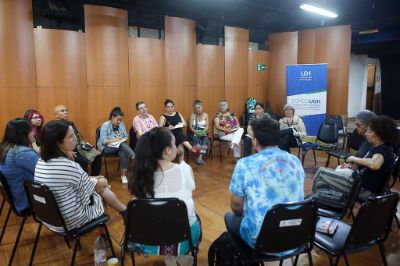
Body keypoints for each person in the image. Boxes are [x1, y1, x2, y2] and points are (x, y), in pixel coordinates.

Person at [225, 117, 304, 249]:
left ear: (255, 140)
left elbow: (237, 206)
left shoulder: (244, 164)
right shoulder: (295, 161)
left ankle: (245, 257)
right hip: (294, 235)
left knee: (230, 217)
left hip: (261, 240)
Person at [34, 120, 127, 232]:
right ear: (58, 142)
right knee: (100, 191)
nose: (76, 139)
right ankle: (105, 234)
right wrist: (100, 179)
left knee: (97, 185)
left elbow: (79, 181)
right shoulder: (68, 165)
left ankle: (124, 212)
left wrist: (92, 179)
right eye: (71, 136)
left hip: (51, 219)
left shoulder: (41, 161)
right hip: (70, 221)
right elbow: (98, 185)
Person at [128, 127, 201, 264]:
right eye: (174, 144)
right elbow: (189, 192)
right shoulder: (185, 169)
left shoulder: (140, 176)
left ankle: (172, 256)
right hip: (183, 239)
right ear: (167, 150)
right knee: (195, 217)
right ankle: (176, 254)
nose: (176, 147)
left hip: (149, 239)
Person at [312, 115, 398, 200]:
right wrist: (353, 167)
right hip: (359, 185)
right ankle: (320, 202)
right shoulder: (383, 148)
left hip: (362, 190)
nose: (366, 133)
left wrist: (353, 158)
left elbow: (375, 164)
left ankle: (312, 204)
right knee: (321, 180)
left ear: (380, 134)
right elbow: (370, 168)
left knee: (321, 173)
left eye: (370, 132)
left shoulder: (382, 150)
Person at [0, 119, 40, 212]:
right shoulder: (21, 153)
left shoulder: (4, 148)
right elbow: (45, 171)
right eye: (30, 131)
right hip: (29, 201)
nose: (33, 134)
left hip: (17, 198)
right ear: (23, 133)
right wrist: (33, 143)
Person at [54, 105, 102, 176]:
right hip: (66, 151)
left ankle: (93, 179)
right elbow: (55, 143)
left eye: (66, 110)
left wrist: (85, 145)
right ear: (56, 115)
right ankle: (83, 182)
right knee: (84, 162)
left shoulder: (71, 124)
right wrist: (66, 151)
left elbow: (77, 138)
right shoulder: (54, 126)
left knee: (98, 155)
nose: (66, 112)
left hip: (79, 148)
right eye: (62, 111)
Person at [98, 107, 135, 184]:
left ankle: (123, 175)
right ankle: (134, 157)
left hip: (119, 146)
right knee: (121, 146)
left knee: (122, 150)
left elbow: (125, 136)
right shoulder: (105, 125)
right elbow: (103, 141)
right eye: (118, 120)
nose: (119, 122)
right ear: (112, 117)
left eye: (121, 120)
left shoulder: (121, 124)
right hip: (106, 148)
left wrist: (122, 139)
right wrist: (114, 140)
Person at [188, 100, 209, 165]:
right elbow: (190, 127)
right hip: (194, 132)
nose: (197, 109)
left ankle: (200, 157)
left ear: (202, 107)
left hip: (203, 132)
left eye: (199, 107)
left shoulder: (206, 115)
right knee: (197, 143)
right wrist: (197, 133)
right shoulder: (193, 115)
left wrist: (202, 132)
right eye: (196, 108)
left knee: (205, 140)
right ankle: (197, 149)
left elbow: (207, 127)